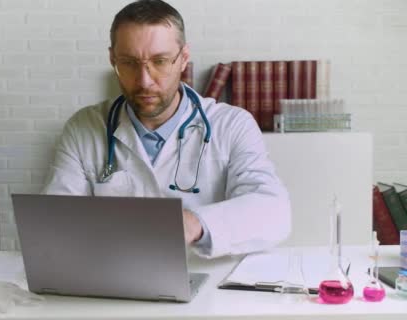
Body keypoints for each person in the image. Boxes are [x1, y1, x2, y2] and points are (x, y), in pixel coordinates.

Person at [41, 0, 290, 258]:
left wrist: (194, 223)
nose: (144, 81)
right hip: (116, 279)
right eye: (128, 62)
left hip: (208, 284)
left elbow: (273, 211)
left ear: (183, 59)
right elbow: (55, 220)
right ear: (112, 59)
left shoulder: (232, 125)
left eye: (159, 61)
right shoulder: (83, 128)